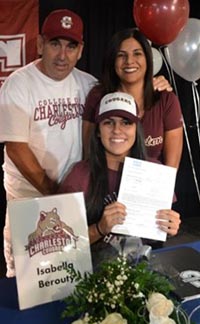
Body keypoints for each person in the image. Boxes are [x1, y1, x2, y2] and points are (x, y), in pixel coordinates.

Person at [0, 9, 97, 277]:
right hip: (30, 204)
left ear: (80, 50)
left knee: (71, 282)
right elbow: (16, 148)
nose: (62, 55)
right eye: (55, 44)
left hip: (74, 203)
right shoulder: (18, 84)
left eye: (71, 46)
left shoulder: (89, 85)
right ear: (41, 44)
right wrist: (56, 196)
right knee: (28, 284)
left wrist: (157, 86)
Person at [58, 92, 181, 268]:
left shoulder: (155, 171)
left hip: (145, 272)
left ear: (136, 129)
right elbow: (62, 246)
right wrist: (99, 228)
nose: (117, 130)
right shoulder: (79, 175)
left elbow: (158, 232)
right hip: (93, 275)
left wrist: (169, 228)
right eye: (108, 122)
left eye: (126, 122)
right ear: (98, 131)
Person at [82, 28, 183, 168]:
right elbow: (89, 155)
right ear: (112, 60)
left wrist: (160, 189)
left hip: (151, 185)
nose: (129, 61)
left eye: (137, 54)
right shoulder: (97, 96)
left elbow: (172, 165)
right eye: (121, 55)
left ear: (148, 58)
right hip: (106, 184)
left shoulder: (166, 100)